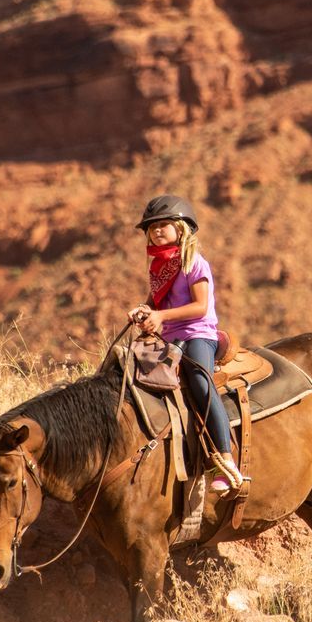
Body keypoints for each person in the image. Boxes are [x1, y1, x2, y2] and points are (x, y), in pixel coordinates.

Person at [127, 194, 244, 494]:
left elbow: (200, 307)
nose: (156, 231)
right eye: (152, 228)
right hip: (168, 337)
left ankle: (226, 460)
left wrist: (160, 315)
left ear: (182, 228)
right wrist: (144, 311)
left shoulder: (194, 262)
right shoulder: (159, 267)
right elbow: (155, 304)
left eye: (163, 225)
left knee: (201, 383)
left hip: (197, 334)